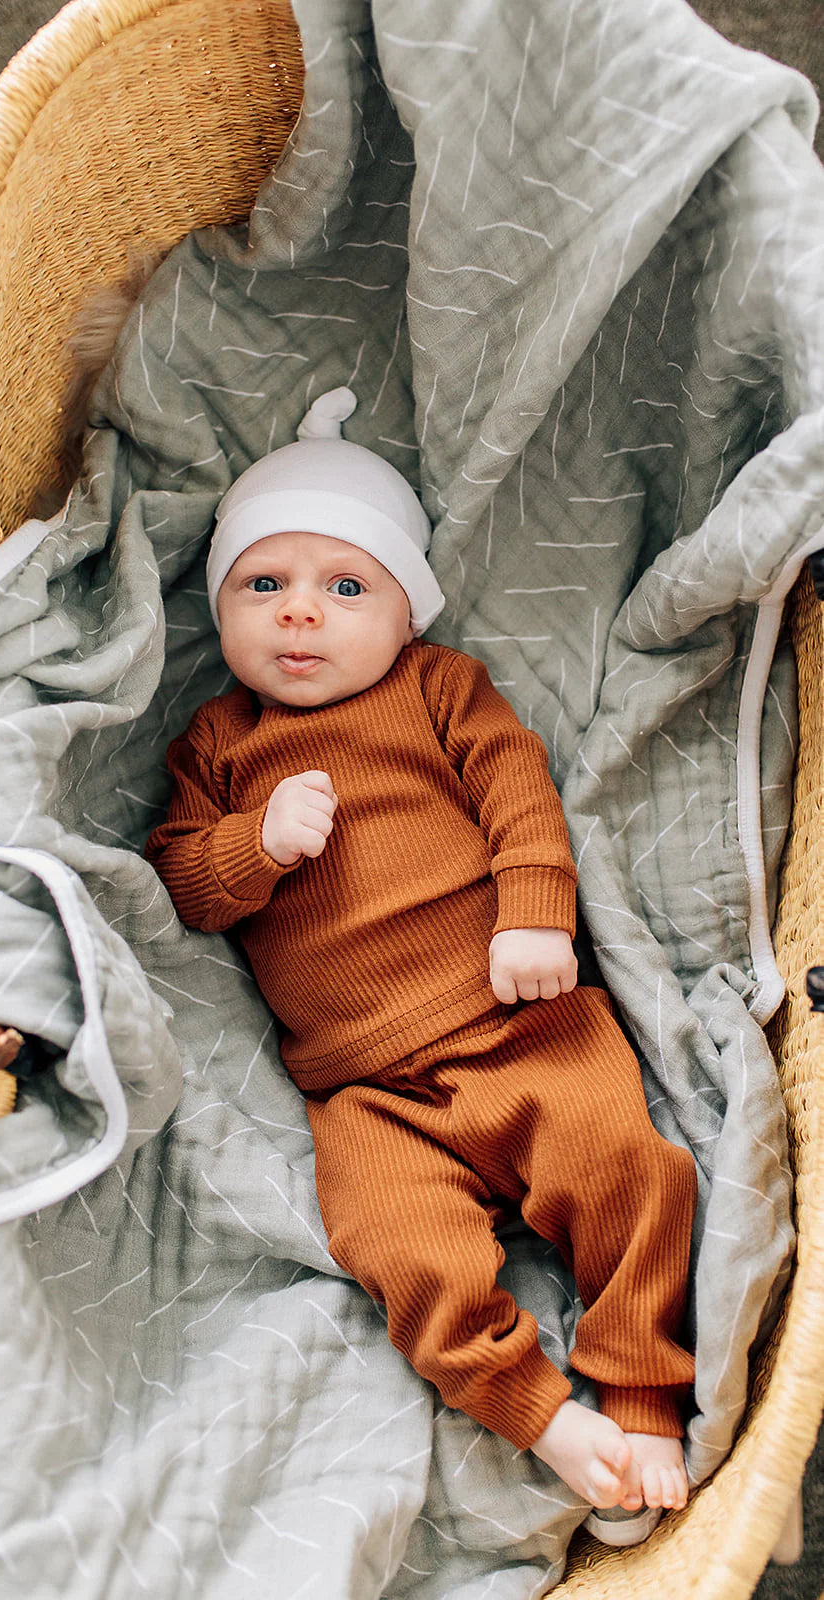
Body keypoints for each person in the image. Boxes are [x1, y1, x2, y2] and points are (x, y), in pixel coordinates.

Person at [146, 388, 697, 1544]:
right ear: (223, 608)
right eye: (264, 585)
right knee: (399, 1246)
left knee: (627, 1167)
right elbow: (183, 887)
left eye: (345, 587)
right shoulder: (219, 744)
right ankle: (540, 1414)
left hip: (513, 1015)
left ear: (407, 615)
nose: (300, 615)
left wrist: (535, 912)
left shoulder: (438, 688)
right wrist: (254, 844)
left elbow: (518, 792)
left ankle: (642, 1389)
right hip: (364, 1091)